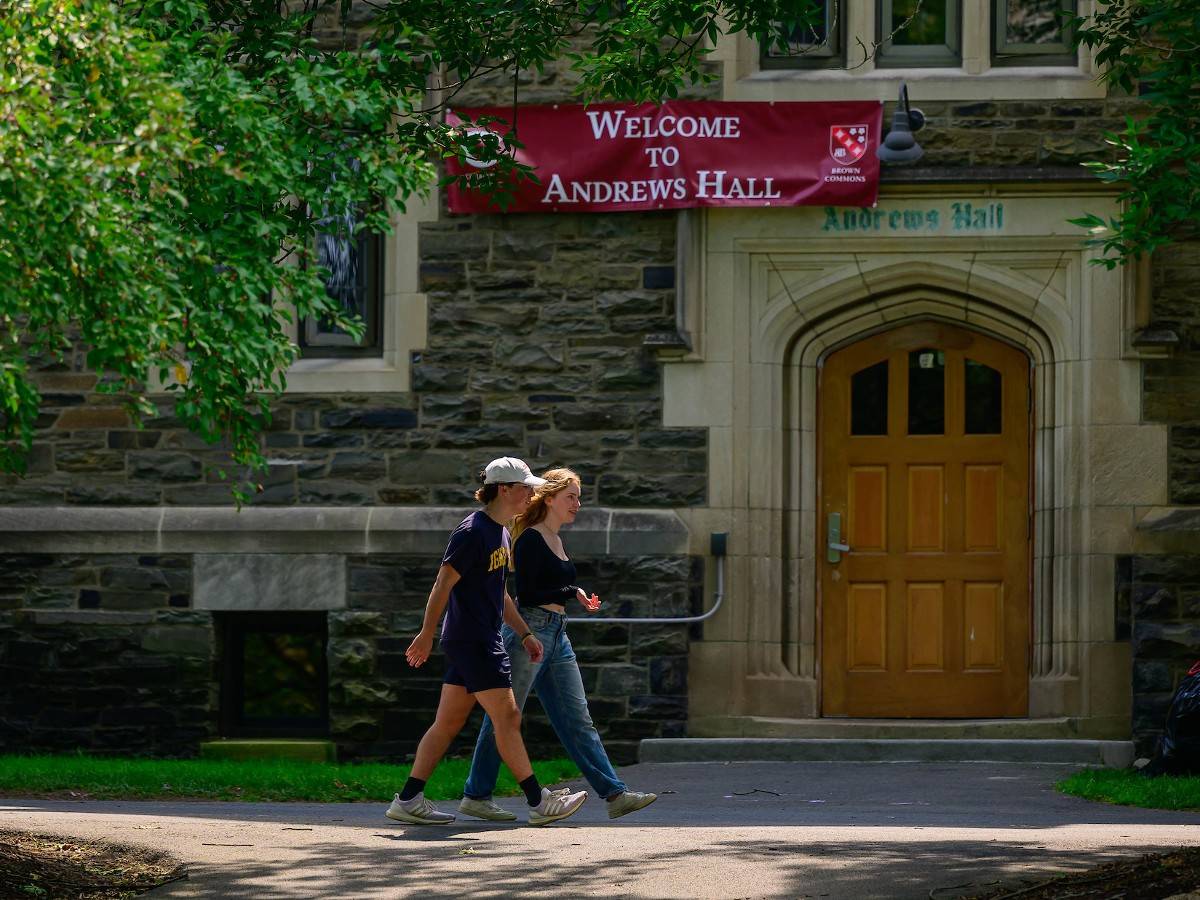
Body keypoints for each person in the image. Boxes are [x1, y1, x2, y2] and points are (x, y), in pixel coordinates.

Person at [385, 457, 589, 827]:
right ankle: (538, 801)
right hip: (473, 640)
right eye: (526, 487)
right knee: (507, 716)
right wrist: (426, 633)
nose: (532, 493)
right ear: (505, 490)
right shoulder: (472, 532)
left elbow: (500, 594)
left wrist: (525, 633)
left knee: (447, 723)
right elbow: (442, 583)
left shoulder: (503, 531)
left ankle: (409, 798)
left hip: (479, 637)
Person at [457, 467, 658, 822]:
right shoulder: (531, 538)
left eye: (578, 497)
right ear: (548, 498)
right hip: (530, 634)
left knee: (577, 719)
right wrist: (570, 592)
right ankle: (477, 794)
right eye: (571, 497)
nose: (577, 504)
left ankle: (615, 794)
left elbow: (555, 587)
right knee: (505, 718)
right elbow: (529, 593)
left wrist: (574, 593)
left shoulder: (556, 538)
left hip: (558, 634)